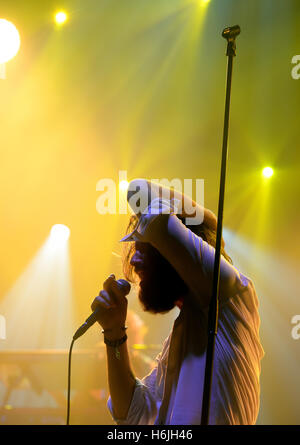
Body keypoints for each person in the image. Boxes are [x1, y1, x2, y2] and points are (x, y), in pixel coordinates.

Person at [91, 179, 264, 425]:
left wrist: (208, 221)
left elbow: (137, 191)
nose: (133, 261)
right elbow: (132, 413)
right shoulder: (178, 338)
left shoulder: (230, 296)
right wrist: (114, 334)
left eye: (145, 248)